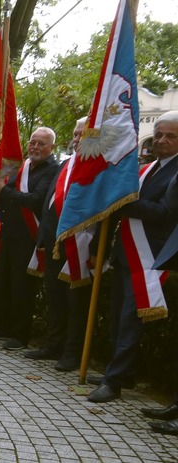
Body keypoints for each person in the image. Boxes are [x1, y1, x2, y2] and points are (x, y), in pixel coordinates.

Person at [89, 111, 178, 404]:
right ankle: (120, 373)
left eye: (170, 136)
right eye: (159, 135)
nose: (162, 141)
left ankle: (114, 382)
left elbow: (166, 213)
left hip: (149, 257)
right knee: (116, 318)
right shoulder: (147, 168)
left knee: (129, 321)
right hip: (127, 252)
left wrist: (126, 203)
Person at [0, 127, 60, 347]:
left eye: (41, 144)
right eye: (32, 142)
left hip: (29, 236)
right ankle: (1, 326)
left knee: (22, 286)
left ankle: (19, 334)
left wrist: (3, 191)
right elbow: (7, 191)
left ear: (51, 147)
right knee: (4, 282)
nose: (35, 147)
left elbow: (35, 199)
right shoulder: (23, 166)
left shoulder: (52, 170)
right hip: (9, 232)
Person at [29, 118, 91, 372]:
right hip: (55, 242)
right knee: (56, 299)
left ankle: (72, 352)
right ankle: (53, 345)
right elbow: (50, 205)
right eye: (75, 135)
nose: (76, 139)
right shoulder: (67, 164)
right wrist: (44, 238)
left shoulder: (98, 169)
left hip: (80, 245)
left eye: (82, 135)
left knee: (76, 303)